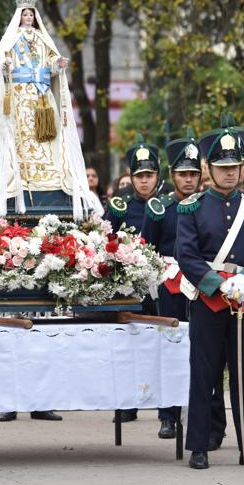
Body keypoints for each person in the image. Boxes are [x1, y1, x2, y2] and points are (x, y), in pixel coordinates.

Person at [0, 0, 97, 223]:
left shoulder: (43, 40)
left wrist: (57, 66)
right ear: (19, 16)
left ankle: (50, 176)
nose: (28, 18)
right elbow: (1, 67)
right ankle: (21, 175)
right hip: (21, 95)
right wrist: (6, 67)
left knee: (45, 137)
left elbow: (50, 65)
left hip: (42, 97)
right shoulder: (11, 40)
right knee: (20, 134)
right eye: (24, 14)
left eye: (31, 15)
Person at [176, 126, 244, 470]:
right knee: (203, 374)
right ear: (209, 167)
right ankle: (200, 446)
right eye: (222, 166)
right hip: (209, 301)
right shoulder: (191, 208)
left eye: (234, 165)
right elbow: (186, 254)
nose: (229, 171)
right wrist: (216, 284)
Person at [102, 134, 167, 426]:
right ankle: (127, 403)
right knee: (128, 347)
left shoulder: (166, 205)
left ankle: (167, 411)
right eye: (139, 175)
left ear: (157, 176)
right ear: (130, 176)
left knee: (164, 345)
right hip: (129, 289)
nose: (144, 181)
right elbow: (104, 241)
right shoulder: (120, 205)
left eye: (149, 175)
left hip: (163, 286)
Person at [151, 129, 203, 438]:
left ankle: (199, 412)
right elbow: (149, 247)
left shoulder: (205, 205)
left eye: (193, 174)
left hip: (200, 286)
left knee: (202, 350)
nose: (188, 180)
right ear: (172, 175)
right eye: (183, 174)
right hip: (170, 287)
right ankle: (168, 415)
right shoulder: (161, 208)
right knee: (169, 349)